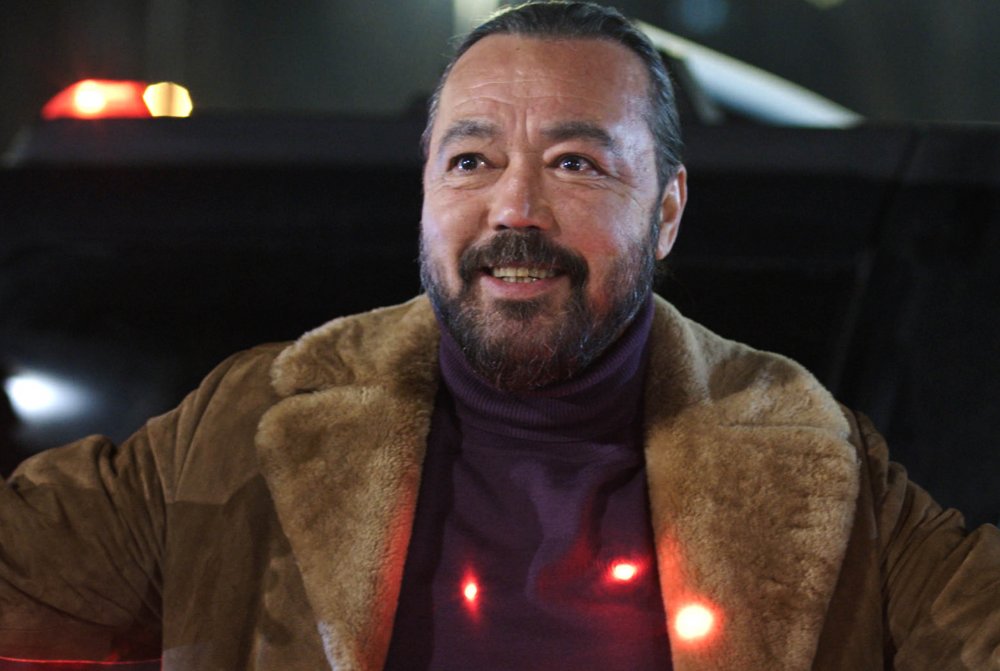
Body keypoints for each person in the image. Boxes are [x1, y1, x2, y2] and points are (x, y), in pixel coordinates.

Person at [1, 2, 998, 669]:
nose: (514, 208)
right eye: (471, 160)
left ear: (666, 210)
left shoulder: (814, 461)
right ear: (426, 192)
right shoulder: (253, 425)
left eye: (575, 164)